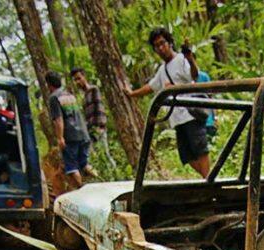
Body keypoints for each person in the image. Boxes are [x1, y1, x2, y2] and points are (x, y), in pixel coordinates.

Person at [128, 27, 210, 178]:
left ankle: (210, 182)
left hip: (191, 114)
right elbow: (151, 87)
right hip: (177, 119)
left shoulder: (180, 59)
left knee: (200, 149)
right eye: (157, 46)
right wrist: (132, 94)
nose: (161, 48)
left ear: (169, 43)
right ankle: (209, 178)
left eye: (162, 43)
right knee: (186, 156)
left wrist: (190, 59)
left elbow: (194, 75)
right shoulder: (162, 70)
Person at [45, 71, 89, 189]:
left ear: (49, 84)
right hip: (83, 134)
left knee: (72, 167)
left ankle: (82, 192)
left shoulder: (54, 98)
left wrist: (60, 138)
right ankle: (98, 182)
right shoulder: (70, 95)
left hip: (70, 136)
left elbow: (58, 119)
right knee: (84, 165)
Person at [70, 67, 116, 176]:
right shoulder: (84, 97)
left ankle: (115, 173)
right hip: (90, 131)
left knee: (105, 153)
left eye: (79, 78)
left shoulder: (93, 90)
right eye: (75, 80)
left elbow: (99, 109)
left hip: (98, 128)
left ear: (84, 76)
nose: (78, 82)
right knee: (95, 155)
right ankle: (104, 176)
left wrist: (100, 127)